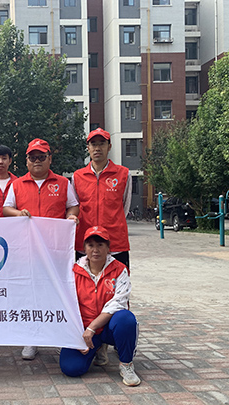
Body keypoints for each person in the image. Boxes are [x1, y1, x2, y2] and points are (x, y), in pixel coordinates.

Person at [3, 138, 79, 360]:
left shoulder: (62, 183)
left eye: (41, 157)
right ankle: (31, 338)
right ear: (26, 161)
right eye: (33, 157)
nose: (37, 161)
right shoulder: (17, 184)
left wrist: (71, 216)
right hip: (27, 251)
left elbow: (73, 206)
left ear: (49, 159)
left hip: (55, 250)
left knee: (57, 292)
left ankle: (58, 336)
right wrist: (19, 214)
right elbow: (6, 208)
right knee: (30, 294)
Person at [72, 128, 132, 367]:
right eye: (93, 144)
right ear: (88, 148)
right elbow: (76, 207)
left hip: (115, 243)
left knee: (116, 294)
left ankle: (111, 340)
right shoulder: (77, 177)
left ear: (109, 146)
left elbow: (124, 207)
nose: (97, 148)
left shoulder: (123, 174)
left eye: (102, 143)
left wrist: (110, 231)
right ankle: (92, 340)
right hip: (86, 244)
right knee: (86, 295)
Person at [59, 226, 140, 387]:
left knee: (126, 319)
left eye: (100, 245)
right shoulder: (73, 271)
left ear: (108, 248)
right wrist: (75, 337)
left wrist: (92, 327)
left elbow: (118, 303)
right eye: (90, 245)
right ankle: (96, 347)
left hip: (108, 327)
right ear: (84, 249)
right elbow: (67, 306)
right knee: (71, 368)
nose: (95, 250)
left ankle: (126, 364)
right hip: (85, 330)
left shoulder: (120, 270)